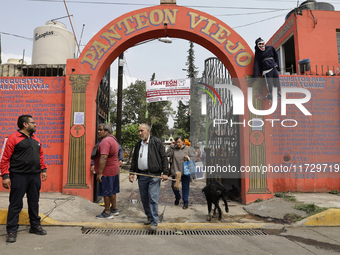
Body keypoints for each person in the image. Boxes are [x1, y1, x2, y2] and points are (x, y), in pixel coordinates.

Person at [0, 115, 48, 243]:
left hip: (34, 176)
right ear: (25, 125)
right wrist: (5, 176)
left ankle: (35, 226)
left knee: (34, 202)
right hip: (18, 176)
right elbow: (4, 159)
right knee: (16, 204)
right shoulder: (12, 138)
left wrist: (43, 169)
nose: (35, 125)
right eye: (33, 122)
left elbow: (40, 155)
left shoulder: (36, 139)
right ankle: (11, 230)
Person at [129, 124, 168, 231]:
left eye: (142, 131)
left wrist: (165, 172)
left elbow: (164, 157)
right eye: (139, 131)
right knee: (144, 198)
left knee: (152, 198)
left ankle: (154, 222)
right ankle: (149, 217)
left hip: (154, 175)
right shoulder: (138, 145)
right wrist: (132, 172)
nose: (140, 133)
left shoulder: (156, 142)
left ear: (148, 131)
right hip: (141, 176)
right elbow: (134, 160)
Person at [93, 123, 120, 219]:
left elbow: (104, 157)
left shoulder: (105, 141)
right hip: (114, 170)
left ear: (107, 131)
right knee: (112, 191)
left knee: (106, 192)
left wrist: (100, 173)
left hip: (107, 171)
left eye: (101, 130)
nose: (98, 132)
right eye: (98, 130)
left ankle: (107, 212)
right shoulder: (113, 139)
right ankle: (114, 208)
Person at [166, 136, 196, 209]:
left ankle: (185, 202)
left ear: (183, 142)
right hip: (175, 171)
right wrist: (171, 146)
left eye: (179, 142)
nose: (177, 143)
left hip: (185, 172)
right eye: (176, 142)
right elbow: (167, 154)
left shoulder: (188, 149)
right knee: (174, 186)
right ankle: (178, 197)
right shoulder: (174, 149)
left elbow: (194, 158)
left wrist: (188, 158)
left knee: (185, 188)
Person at [253, 37, 281, 101]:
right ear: (257, 45)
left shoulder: (271, 48)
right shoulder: (257, 53)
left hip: (273, 67)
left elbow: (276, 56)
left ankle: (278, 92)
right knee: (269, 83)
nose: (262, 45)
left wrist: (278, 66)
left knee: (277, 81)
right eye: (260, 44)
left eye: (262, 43)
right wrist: (255, 76)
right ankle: (270, 94)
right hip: (266, 70)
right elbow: (256, 64)